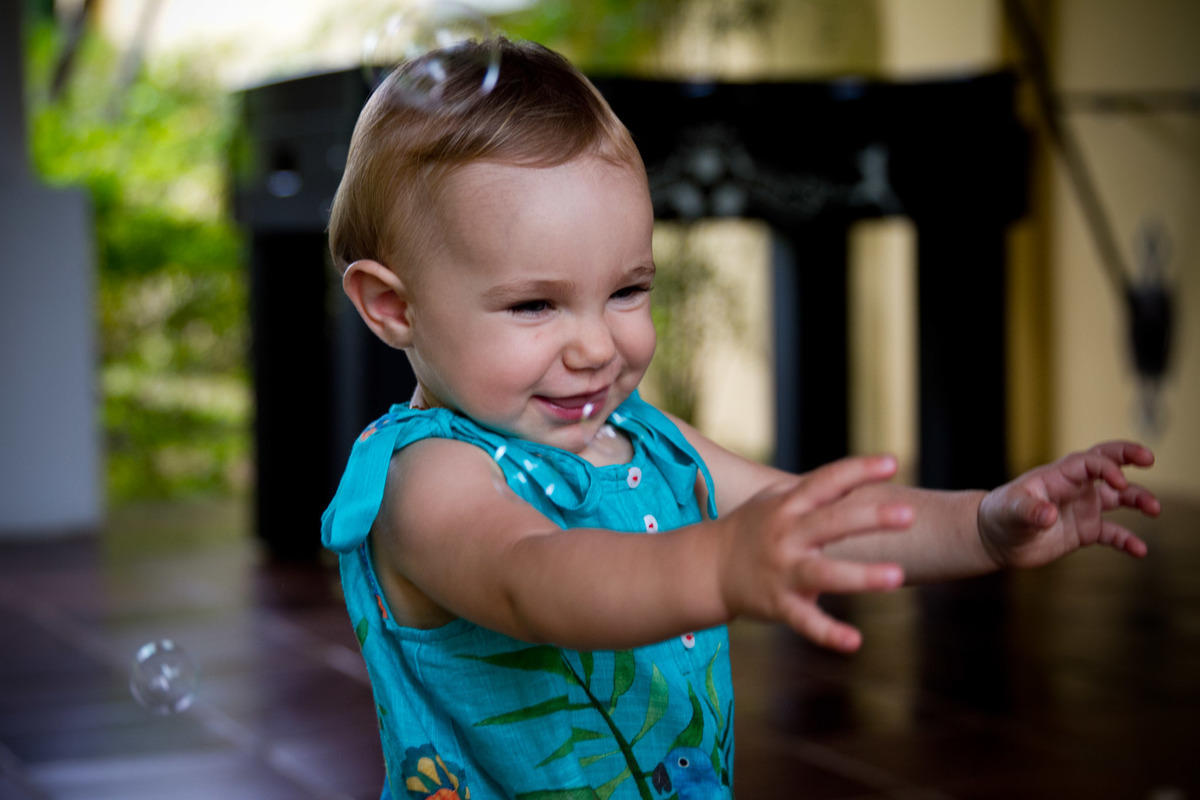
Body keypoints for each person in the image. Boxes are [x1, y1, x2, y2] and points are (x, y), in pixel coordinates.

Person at [321, 38, 1159, 800]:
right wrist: (720, 564)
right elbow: (534, 578)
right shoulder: (425, 477)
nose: (596, 346)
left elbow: (810, 518)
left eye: (627, 291)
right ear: (393, 307)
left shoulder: (643, 437)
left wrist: (982, 525)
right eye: (535, 305)